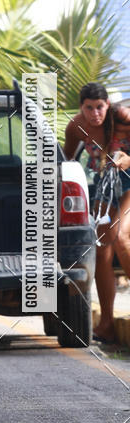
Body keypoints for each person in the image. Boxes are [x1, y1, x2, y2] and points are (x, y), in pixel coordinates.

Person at [64, 82, 130, 343]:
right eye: (89, 108)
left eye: (99, 107)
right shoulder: (75, 127)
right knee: (101, 248)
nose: (95, 114)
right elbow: (66, 161)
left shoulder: (122, 116)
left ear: (107, 105)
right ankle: (106, 324)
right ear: (81, 107)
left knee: (122, 238)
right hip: (107, 183)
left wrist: (127, 159)